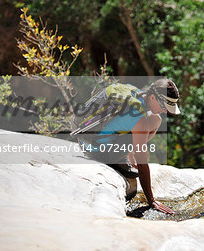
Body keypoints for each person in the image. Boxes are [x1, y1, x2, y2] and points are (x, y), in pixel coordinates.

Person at [75, 79, 179, 214]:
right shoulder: (139, 118)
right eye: (164, 106)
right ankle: (116, 159)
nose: (165, 111)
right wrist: (151, 200)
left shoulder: (136, 93)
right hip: (95, 151)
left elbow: (122, 123)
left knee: (156, 119)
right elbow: (143, 163)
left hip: (85, 140)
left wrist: (130, 155)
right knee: (148, 125)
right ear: (153, 97)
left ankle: (123, 157)